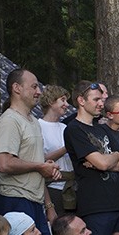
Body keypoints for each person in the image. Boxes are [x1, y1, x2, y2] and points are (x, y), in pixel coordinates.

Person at [64, 81, 119, 235]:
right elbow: (104, 163)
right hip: (95, 203)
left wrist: (109, 159)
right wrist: (113, 158)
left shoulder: (101, 128)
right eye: (96, 99)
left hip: (117, 200)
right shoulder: (74, 129)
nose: (101, 103)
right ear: (81, 100)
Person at [0, 69, 61, 235]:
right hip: (14, 197)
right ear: (16, 88)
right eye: (34, 86)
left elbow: (37, 165)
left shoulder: (32, 121)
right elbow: (4, 163)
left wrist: (49, 205)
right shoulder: (9, 121)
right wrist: (41, 166)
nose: (39, 91)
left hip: (35, 199)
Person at [38, 85, 75, 216]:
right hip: (53, 188)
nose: (66, 105)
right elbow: (39, 159)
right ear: (50, 101)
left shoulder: (65, 127)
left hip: (72, 187)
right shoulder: (38, 127)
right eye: (63, 100)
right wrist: (66, 148)